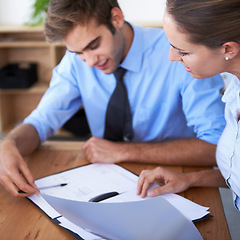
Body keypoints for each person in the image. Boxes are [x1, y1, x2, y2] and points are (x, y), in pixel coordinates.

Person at [0, 0, 225, 197]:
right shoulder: (76, 62)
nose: (88, 62)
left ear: (116, 18)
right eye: (78, 52)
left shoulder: (180, 55)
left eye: (93, 45)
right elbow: (41, 122)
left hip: (170, 182)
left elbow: (216, 147)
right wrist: (9, 144)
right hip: (104, 181)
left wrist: (125, 151)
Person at [137, 0, 240, 211]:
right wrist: (190, 179)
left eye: (183, 51)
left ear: (228, 49)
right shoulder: (234, 86)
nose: (171, 57)